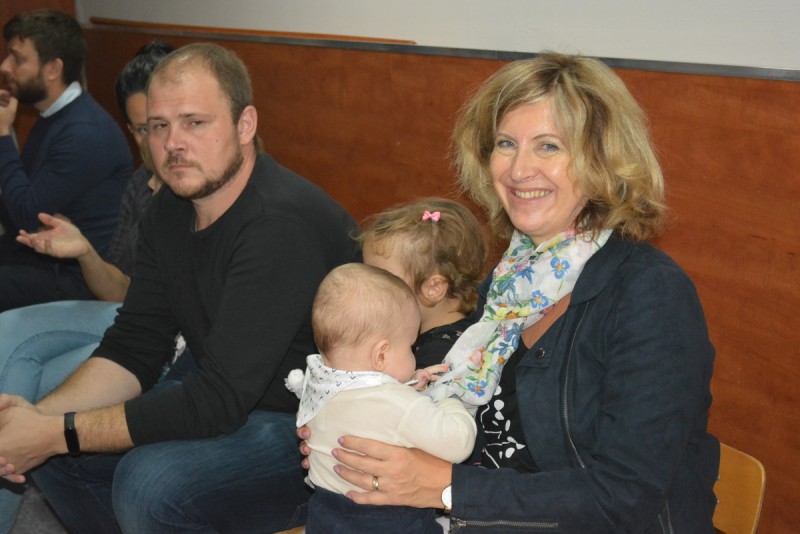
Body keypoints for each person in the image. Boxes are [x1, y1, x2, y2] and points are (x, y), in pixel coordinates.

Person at [300, 53, 720, 533]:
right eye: (506, 144)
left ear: (602, 161)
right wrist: (355, 437)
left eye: (548, 146)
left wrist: (444, 486)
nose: (519, 170)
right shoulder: (508, 286)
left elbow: (624, 497)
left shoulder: (651, 295)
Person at [0, 42, 359, 533]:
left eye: (195, 122)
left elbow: (216, 401)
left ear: (245, 125)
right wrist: (38, 425)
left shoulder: (279, 224)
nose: (172, 143)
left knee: (150, 483)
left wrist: (54, 433)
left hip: (318, 427)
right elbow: (135, 346)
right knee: (64, 455)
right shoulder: (168, 209)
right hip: (230, 394)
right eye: (158, 126)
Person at [0, 40, 175, 534]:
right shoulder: (141, 183)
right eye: (141, 129)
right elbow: (120, 290)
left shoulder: (200, 189)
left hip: (162, 335)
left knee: (25, 366)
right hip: (127, 314)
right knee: (9, 337)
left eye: (163, 125)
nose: (155, 143)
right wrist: (84, 252)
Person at [286, 262, 476, 533]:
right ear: (381, 355)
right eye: (410, 346)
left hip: (325, 517)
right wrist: (448, 398)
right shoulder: (396, 403)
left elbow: (369, 409)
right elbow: (459, 444)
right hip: (389, 522)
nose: (414, 354)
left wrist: (410, 384)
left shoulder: (318, 385)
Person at [0, 9, 132, 312]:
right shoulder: (53, 115)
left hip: (77, 277)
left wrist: (3, 134)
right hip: (40, 255)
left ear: (53, 69)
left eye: (17, 59)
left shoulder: (84, 132)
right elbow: (17, 214)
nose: (5, 66)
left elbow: (24, 215)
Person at [358, 197, 487, 368]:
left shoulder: (436, 360)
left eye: (382, 279)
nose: (366, 287)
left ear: (434, 288)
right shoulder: (470, 321)